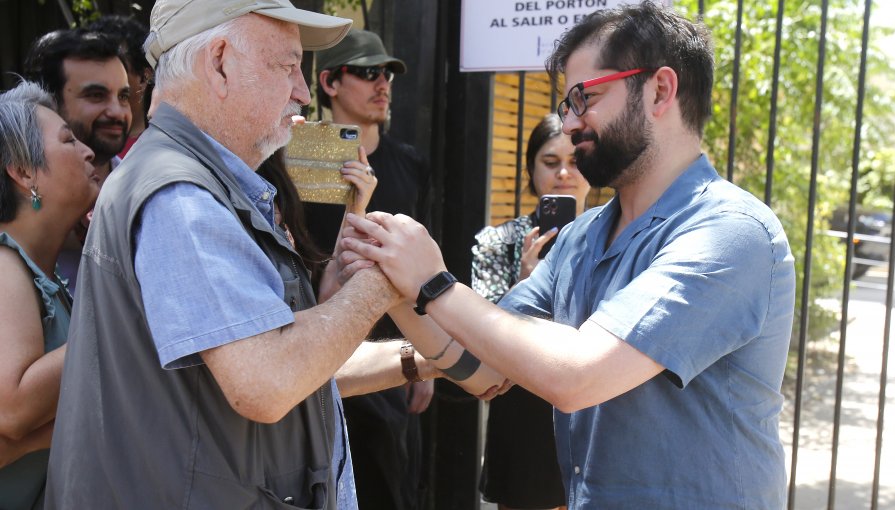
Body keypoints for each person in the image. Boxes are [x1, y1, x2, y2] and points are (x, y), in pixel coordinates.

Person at [43, 1, 506, 508]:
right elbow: (266, 382)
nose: (303, 91)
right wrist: (384, 282)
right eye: (287, 66)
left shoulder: (196, 184)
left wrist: (407, 351)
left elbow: (256, 361)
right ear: (219, 62)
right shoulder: (182, 197)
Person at [342, 2, 796, 508]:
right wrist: (397, 284)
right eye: (566, 103)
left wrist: (433, 283)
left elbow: (579, 376)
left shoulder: (729, 233)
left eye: (586, 96)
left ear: (660, 90)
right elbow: (482, 368)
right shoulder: (581, 237)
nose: (571, 120)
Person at [311, 29, 433, 510]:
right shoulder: (302, 156)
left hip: (391, 348)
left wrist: (425, 356)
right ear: (329, 82)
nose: (382, 83)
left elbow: (425, 267)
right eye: (366, 72)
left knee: (392, 483)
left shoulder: (408, 162)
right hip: (318, 345)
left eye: (386, 73)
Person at [474, 114, 589, 510]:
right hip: (523, 418)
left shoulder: (616, 240)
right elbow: (478, 332)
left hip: (591, 415)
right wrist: (525, 286)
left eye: (574, 161)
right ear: (531, 169)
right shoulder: (497, 242)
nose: (563, 173)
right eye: (550, 161)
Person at [0, 80, 99, 509]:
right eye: (67, 140)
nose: (88, 150)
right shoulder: (4, 263)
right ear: (23, 172)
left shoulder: (44, 272)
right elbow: (15, 406)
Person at [24, 28, 132, 290]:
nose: (117, 111)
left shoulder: (143, 193)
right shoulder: (18, 204)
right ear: (48, 103)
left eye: (123, 96)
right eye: (96, 95)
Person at [87, 15, 153, 157]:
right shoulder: (77, 147)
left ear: (144, 77)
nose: (99, 78)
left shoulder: (161, 150)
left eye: (117, 67)